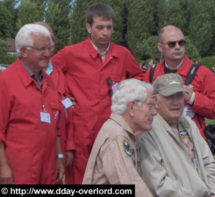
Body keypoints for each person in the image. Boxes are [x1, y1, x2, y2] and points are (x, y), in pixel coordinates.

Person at [51, 3, 145, 184]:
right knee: (80, 178)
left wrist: (127, 90)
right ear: (88, 27)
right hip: (80, 130)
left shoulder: (122, 54)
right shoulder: (71, 53)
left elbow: (139, 76)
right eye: (100, 27)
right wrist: (62, 96)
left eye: (109, 27)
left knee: (113, 176)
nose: (105, 32)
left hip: (112, 128)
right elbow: (49, 71)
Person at [137, 73, 215, 197]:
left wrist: (214, 192)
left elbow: (209, 163)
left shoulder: (189, 124)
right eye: (169, 97)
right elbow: (157, 183)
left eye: (179, 96)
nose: (176, 102)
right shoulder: (147, 130)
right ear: (155, 100)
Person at [0, 24, 64, 184]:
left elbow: (55, 126)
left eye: (49, 48)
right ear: (23, 51)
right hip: (19, 172)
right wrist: (2, 166)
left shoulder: (50, 82)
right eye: (42, 49)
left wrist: (59, 157)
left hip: (47, 170)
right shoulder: (5, 82)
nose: (48, 54)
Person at [144, 25, 215, 140]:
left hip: (192, 141)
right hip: (159, 140)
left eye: (181, 43)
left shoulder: (202, 73)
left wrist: (193, 98)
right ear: (160, 47)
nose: (177, 47)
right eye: (172, 44)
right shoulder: (151, 73)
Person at [83, 79, 156, 197]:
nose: (154, 112)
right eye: (150, 106)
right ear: (132, 107)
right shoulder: (116, 135)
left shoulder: (120, 130)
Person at [35, 22, 75, 179]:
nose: (49, 43)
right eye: (44, 38)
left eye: (51, 39)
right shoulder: (11, 78)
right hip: (31, 152)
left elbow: (68, 111)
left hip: (56, 149)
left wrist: (69, 147)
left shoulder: (58, 73)